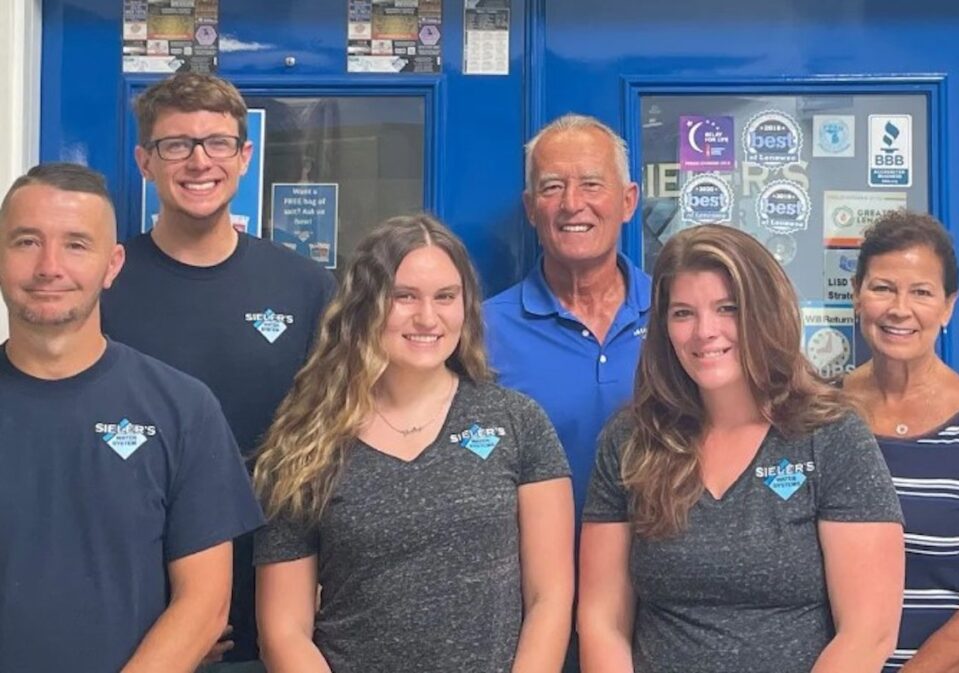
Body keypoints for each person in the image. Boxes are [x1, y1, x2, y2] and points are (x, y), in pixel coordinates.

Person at [251, 214, 574, 672]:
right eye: (404, 297)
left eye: (446, 297)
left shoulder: (517, 422)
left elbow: (551, 597)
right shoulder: (306, 443)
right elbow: (284, 630)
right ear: (365, 305)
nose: (427, 317)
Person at [578, 224, 905, 672]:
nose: (704, 332)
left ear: (763, 313)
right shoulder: (632, 440)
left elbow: (869, 633)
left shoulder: (831, 435)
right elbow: (601, 620)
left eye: (726, 308)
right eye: (682, 313)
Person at [102, 72, 336, 669]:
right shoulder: (106, 288)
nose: (198, 161)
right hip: (133, 611)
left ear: (244, 155)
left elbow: (335, 441)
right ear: (144, 162)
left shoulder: (306, 287)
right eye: (175, 144)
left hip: (278, 606)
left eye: (217, 143)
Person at [0, 163, 265, 673]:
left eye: (77, 244)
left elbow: (205, 603)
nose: (49, 266)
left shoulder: (182, 409)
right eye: (27, 242)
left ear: (112, 264)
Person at [844, 211, 959, 673]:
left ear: (948, 306)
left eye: (921, 292)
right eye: (882, 287)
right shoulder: (816, 416)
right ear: (857, 296)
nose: (899, 308)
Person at [484, 113, 649, 529]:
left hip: (667, 583)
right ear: (530, 208)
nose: (573, 204)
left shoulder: (681, 319)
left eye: (592, 184)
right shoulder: (482, 332)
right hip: (531, 587)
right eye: (552, 187)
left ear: (628, 201)